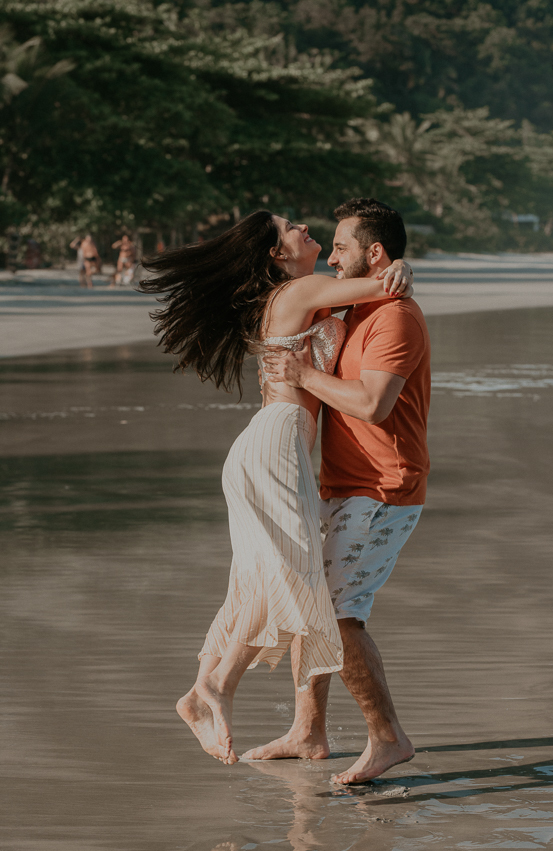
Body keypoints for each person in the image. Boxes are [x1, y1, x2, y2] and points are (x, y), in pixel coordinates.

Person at [139, 211, 413, 765]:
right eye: (293, 229)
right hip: (278, 445)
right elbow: (381, 280)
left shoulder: (303, 294)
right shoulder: (302, 289)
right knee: (285, 573)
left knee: (264, 574)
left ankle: (205, 690)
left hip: (270, 445)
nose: (305, 231)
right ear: (275, 253)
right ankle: (217, 686)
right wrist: (400, 264)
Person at [248, 198, 431, 784]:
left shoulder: (395, 317)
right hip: (342, 484)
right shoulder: (356, 307)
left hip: (383, 488)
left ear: (373, 253)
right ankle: (309, 731)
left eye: (343, 246)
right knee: (313, 605)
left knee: (337, 614)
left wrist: (303, 376)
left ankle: (389, 738)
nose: (330, 254)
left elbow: (373, 406)